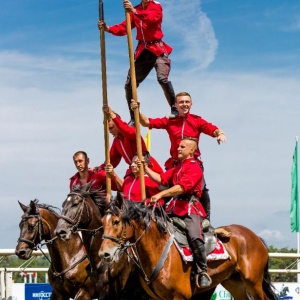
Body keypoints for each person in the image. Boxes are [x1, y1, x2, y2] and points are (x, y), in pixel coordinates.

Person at [131, 92, 226, 223]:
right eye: (181, 102)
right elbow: (146, 122)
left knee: (201, 189)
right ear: (176, 105)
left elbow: (212, 129)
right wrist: (138, 110)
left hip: (192, 164)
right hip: (175, 165)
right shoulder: (170, 121)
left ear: (191, 104)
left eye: (187, 102)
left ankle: (206, 220)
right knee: (164, 188)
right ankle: (158, 220)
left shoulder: (197, 120)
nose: (184, 104)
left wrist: (219, 134)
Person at [142, 138, 211, 288]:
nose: (178, 149)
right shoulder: (178, 167)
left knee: (194, 235)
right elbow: (161, 179)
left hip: (191, 208)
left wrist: (161, 195)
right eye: (178, 146)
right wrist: (146, 169)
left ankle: (202, 270)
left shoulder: (195, 167)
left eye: (182, 147)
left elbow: (182, 187)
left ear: (192, 150)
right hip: (174, 207)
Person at [98, 0, 177, 126]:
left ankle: (174, 107)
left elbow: (151, 18)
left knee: (162, 78)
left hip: (157, 49)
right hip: (144, 51)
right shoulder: (135, 9)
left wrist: (134, 12)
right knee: (130, 84)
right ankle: (134, 117)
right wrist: (108, 29)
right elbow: (124, 27)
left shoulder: (156, 6)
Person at [99, 105, 163, 176]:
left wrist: (112, 114)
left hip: (147, 168)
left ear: (118, 123)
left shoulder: (131, 130)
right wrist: (100, 168)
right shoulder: (116, 141)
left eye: (111, 127)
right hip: (134, 170)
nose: (110, 131)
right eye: (108, 129)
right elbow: (112, 160)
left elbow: (127, 131)